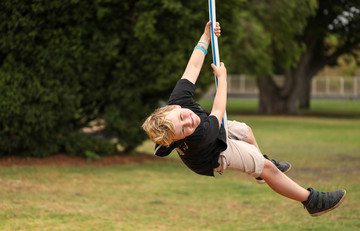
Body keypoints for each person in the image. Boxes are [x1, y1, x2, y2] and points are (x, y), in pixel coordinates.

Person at [142, 21, 346, 217]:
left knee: (246, 131)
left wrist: (205, 37)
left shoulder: (178, 98)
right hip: (214, 154)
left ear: (174, 106)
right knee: (268, 168)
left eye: (182, 117)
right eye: (184, 129)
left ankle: (260, 168)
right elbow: (218, 109)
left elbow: (193, 68)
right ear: (180, 137)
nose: (190, 121)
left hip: (212, 128)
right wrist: (222, 79)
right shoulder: (200, 135)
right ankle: (311, 201)